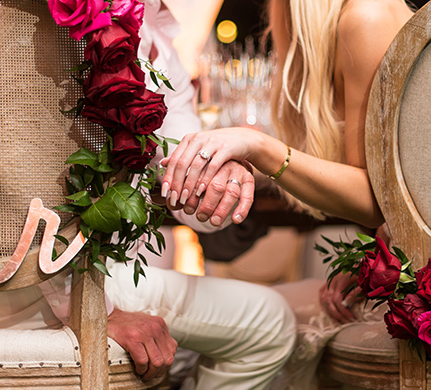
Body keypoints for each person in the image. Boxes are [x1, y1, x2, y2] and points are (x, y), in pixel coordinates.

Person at [0, 1, 296, 389]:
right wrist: (95, 311)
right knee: (271, 323)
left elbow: (180, 160)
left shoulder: (156, 28)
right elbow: (14, 168)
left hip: (88, 276)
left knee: (191, 346)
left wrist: (216, 177)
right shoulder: (42, 13)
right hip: (20, 283)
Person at [161, 0, 414, 323]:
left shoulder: (366, 18)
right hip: (400, 258)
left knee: (234, 323)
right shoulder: (339, 19)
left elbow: (377, 200)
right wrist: (373, 260)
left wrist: (260, 147)